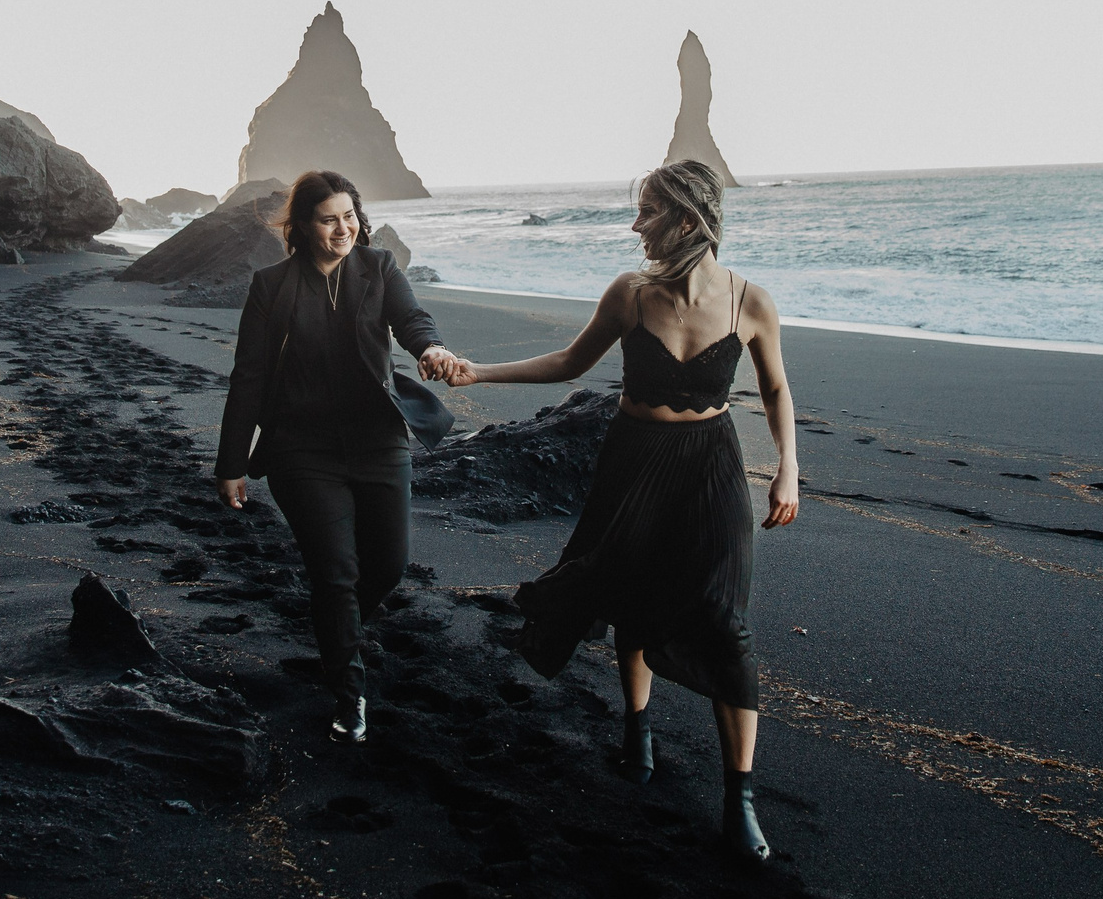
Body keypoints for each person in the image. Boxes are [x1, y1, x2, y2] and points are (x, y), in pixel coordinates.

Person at [445, 159, 800, 860]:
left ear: (688, 220)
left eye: (647, 211)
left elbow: (779, 389)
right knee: (631, 598)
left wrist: (789, 468)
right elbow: (571, 362)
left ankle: (740, 798)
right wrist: (477, 371)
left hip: (712, 466)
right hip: (634, 460)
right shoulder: (630, 294)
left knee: (726, 624)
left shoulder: (750, 302)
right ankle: (637, 732)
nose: (635, 225)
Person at [215, 169, 460, 744]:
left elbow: (413, 323)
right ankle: (349, 698)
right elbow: (247, 377)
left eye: (350, 216)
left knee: (389, 564)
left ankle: (333, 632)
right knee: (336, 571)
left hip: (378, 440)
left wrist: (433, 349)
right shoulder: (270, 286)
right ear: (302, 225)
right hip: (302, 449)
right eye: (329, 219)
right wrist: (230, 462)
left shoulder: (379, 269)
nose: (343, 228)